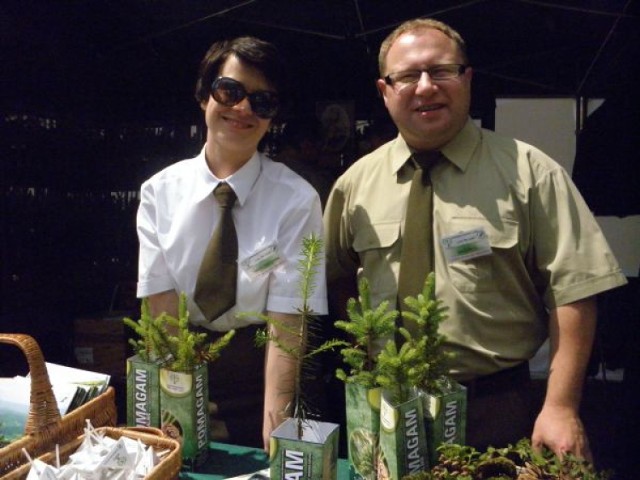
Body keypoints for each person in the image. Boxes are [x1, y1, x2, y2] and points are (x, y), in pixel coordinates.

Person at [323, 18, 627, 462]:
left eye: (442, 70)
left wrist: (560, 406)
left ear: (467, 78)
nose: (425, 87)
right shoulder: (354, 186)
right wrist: (365, 361)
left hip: (496, 407)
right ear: (385, 91)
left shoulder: (529, 173)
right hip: (386, 406)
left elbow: (574, 292)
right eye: (407, 76)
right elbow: (338, 282)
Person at [136, 36, 327, 451]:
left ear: (273, 117)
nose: (243, 109)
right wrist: (170, 409)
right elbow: (162, 315)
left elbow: (288, 322)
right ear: (204, 95)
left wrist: (276, 430)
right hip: (185, 363)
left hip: (262, 369)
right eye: (230, 91)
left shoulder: (297, 199)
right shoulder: (159, 193)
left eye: (262, 102)